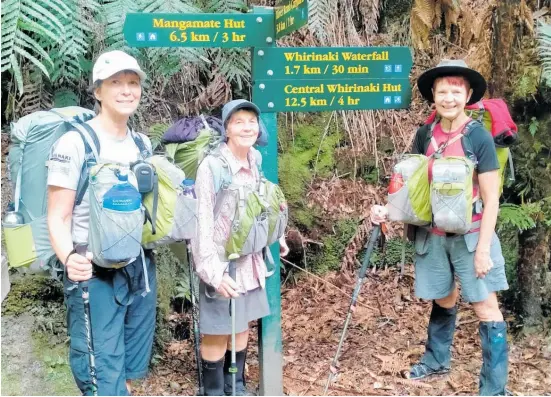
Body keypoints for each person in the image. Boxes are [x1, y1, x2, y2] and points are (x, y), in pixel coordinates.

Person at [371, 59, 510, 396]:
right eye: (442, 91)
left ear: (468, 95)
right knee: (444, 297)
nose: (449, 98)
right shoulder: (425, 134)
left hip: (472, 234)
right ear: (433, 95)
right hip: (433, 235)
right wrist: (388, 211)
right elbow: (416, 188)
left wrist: (482, 252)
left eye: (456, 91)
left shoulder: (478, 137)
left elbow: (491, 198)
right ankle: (436, 361)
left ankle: (494, 388)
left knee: (485, 306)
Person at [47, 50, 156, 396]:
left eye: (133, 83)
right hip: (93, 272)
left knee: (126, 370)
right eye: (116, 83)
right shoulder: (74, 143)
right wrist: (68, 257)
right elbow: (57, 215)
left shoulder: (142, 144)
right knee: (100, 375)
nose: (127, 91)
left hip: (139, 268)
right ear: (98, 91)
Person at [192, 99, 290, 396]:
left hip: (250, 261)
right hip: (221, 263)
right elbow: (202, 222)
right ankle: (213, 390)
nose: (247, 127)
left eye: (251, 121)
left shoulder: (256, 160)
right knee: (217, 331)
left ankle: (236, 386)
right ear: (227, 129)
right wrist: (213, 273)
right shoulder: (212, 166)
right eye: (238, 121)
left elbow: (262, 204)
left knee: (241, 325)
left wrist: (277, 235)